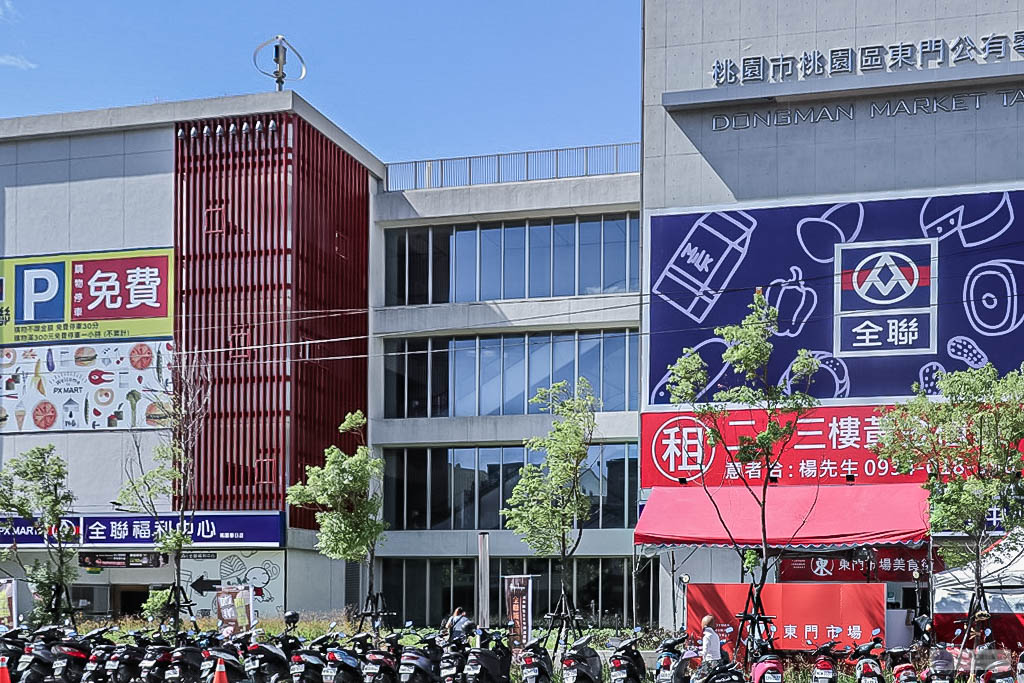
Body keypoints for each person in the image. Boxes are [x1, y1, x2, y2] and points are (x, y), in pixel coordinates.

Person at [695, 615, 721, 680]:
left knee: (699, 678)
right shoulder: (715, 635)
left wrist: (696, 653)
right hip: (717, 660)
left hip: (709, 661)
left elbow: (705, 651)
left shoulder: (706, 636)